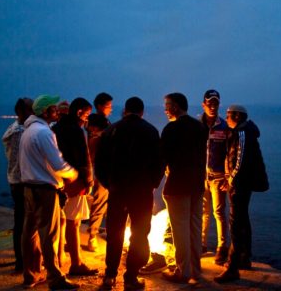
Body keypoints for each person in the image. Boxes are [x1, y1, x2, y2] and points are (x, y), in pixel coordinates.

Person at [95, 97, 164, 290]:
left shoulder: (111, 130)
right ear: (142, 112)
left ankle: (110, 276)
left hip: (117, 190)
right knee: (139, 233)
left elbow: (99, 163)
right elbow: (159, 162)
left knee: (115, 233)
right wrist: (153, 183)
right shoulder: (150, 131)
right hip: (142, 192)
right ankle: (131, 276)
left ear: (125, 110)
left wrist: (108, 184)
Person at [19, 95, 80, 290]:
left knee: (29, 233)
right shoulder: (44, 133)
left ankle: (31, 275)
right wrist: (73, 173)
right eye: (53, 109)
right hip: (45, 190)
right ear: (45, 112)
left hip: (28, 188)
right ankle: (55, 278)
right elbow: (57, 163)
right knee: (49, 235)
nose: (56, 111)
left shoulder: (27, 131)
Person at [214, 104, 269, 283]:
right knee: (242, 219)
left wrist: (231, 179)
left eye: (229, 114)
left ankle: (233, 267)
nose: (226, 117)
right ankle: (244, 258)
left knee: (236, 223)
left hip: (240, 184)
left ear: (237, 116)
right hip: (241, 182)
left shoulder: (243, 133)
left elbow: (240, 159)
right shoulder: (241, 131)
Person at [160, 92, 207, 284]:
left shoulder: (171, 129)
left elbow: (162, 158)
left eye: (167, 105)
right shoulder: (201, 128)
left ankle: (182, 271)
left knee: (180, 230)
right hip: (197, 184)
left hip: (177, 185)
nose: (165, 109)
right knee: (195, 229)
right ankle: (196, 270)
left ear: (176, 107)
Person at [52, 97, 98, 277]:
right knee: (74, 222)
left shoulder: (55, 128)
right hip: (75, 180)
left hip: (57, 181)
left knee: (62, 221)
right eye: (86, 114)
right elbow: (84, 158)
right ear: (79, 112)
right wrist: (89, 182)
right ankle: (76, 263)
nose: (87, 118)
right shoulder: (76, 130)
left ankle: (59, 257)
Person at [1, 97, 34, 272]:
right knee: (23, 223)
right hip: (21, 182)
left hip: (16, 181)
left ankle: (22, 261)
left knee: (21, 221)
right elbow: (19, 160)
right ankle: (22, 262)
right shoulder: (20, 131)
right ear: (23, 112)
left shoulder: (14, 129)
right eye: (32, 108)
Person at [199, 89, 230, 265]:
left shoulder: (224, 127)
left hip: (218, 176)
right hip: (201, 176)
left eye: (215, 103)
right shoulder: (197, 125)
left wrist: (227, 177)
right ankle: (201, 245)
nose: (212, 106)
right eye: (209, 103)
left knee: (218, 212)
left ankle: (222, 248)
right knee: (203, 213)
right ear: (204, 104)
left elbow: (229, 153)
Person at [84, 92, 113, 252]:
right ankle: (92, 236)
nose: (110, 108)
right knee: (100, 202)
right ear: (101, 106)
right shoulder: (97, 121)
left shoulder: (99, 121)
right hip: (99, 168)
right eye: (109, 105)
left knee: (107, 202)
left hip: (102, 167)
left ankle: (109, 232)